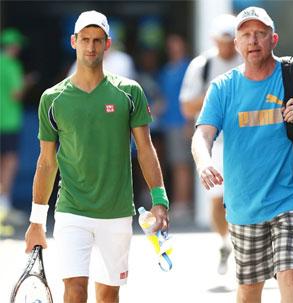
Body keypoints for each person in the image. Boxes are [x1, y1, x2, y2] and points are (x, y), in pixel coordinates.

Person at [191, 6, 293, 303]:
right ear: (236, 43)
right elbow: (202, 134)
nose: (253, 41)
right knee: (249, 291)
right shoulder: (223, 87)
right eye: (246, 35)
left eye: (260, 34)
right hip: (245, 205)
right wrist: (204, 162)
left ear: (274, 39)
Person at [24, 11, 169, 303]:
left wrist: (160, 200)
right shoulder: (52, 98)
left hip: (116, 214)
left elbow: (145, 149)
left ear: (108, 44)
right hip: (71, 212)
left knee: (107, 296)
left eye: (97, 40)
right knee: (75, 291)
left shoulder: (129, 92)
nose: (91, 47)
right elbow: (46, 162)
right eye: (85, 40)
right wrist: (37, 221)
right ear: (73, 42)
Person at [180, 14, 242, 275]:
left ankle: (247, 247)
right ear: (214, 39)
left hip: (244, 143)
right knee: (217, 201)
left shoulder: (248, 61)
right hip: (213, 144)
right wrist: (216, 94)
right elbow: (186, 106)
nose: (228, 46)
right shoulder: (202, 65)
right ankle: (225, 243)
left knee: (244, 196)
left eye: (231, 40)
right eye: (223, 40)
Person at [0, 28, 33, 227]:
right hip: (9, 121)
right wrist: (27, 83)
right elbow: (16, 95)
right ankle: (4, 207)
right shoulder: (12, 65)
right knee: (9, 163)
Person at [157, 34, 193, 220]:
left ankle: (182, 203)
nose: (174, 49)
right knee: (174, 164)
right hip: (168, 124)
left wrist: (190, 122)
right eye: (171, 46)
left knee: (182, 165)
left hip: (182, 123)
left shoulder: (189, 68)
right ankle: (179, 202)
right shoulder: (166, 70)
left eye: (177, 45)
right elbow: (164, 99)